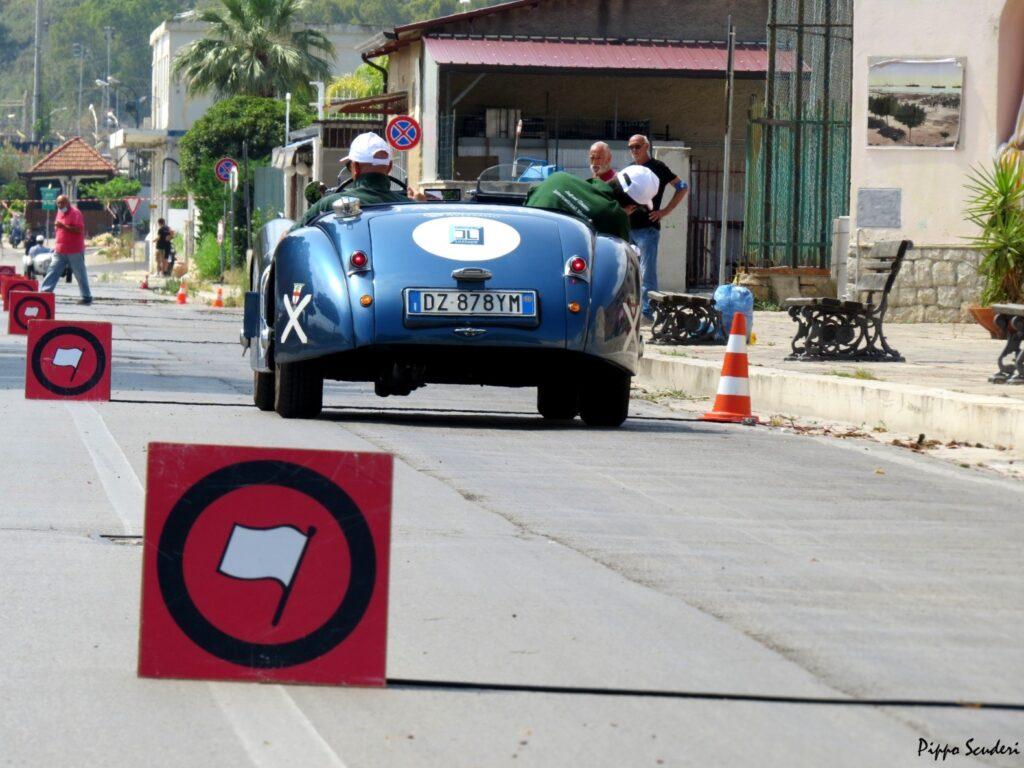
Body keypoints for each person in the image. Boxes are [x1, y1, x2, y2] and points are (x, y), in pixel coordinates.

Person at [293, 133, 414, 230]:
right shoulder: (410, 207)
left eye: (349, 166)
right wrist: (419, 203)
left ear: (355, 168)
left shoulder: (329, 204)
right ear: (390, 167)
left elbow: (291, 236)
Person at [626, 134, 689, 320]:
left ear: (646, 147)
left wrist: (665, 211)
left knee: (647, 273)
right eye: (630, 147)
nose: (634, 151)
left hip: (647, 228)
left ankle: (648, 312)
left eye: (637, 146)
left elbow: (682, 186)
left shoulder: (658, 167)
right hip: (628, 228)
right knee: (628, 272)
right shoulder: (629, 170)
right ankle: (631, 311)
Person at [524, 165, 659, 241]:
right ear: (631, 207)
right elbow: (617, 259)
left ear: (615, 177)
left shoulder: (558, 178)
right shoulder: (617, 218)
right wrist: (621, 215)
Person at [41, 194, 92, 305]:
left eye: (62, 203)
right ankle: (45, 293)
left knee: (79, 274)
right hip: (60, 249)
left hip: (74, 250)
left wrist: (63, 226)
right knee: (52, 271)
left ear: (67, 203)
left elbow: (78, 230)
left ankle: (86, 296)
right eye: (58, 203)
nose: (60, 205)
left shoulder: (75, 213)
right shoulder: (60, 212)